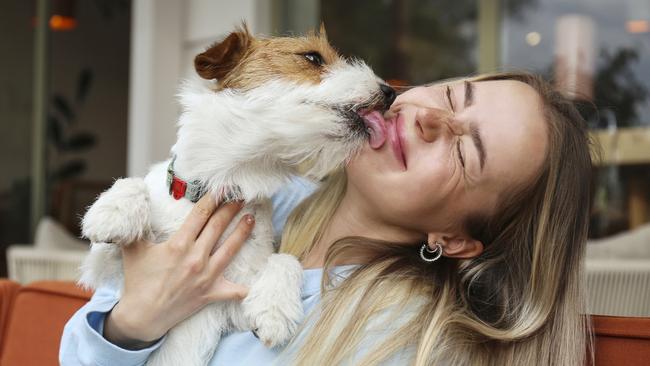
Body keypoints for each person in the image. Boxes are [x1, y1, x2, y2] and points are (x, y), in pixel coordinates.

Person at [60, 71, 594, 366]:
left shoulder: (398, 342)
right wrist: (133, 323)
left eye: (464, 153)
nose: (431, 117)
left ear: (454, 240)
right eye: (455, 93)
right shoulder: (263, 193)